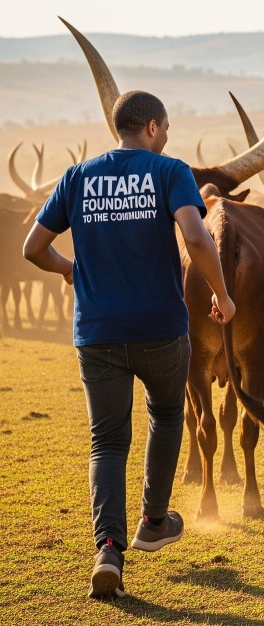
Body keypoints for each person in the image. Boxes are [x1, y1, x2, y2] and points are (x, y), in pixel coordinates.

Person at [23, 90, 236, 598]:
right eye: (167, 129)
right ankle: (155, 520)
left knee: (108, 441)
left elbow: (32, 248)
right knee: (166, 416)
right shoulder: (169, 171)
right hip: (161, 327)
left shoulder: (76, 178)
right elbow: (198, 237)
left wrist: (72, 268)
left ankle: (109, 551)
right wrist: (223, 297)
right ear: (155, 127)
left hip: (96, 332)